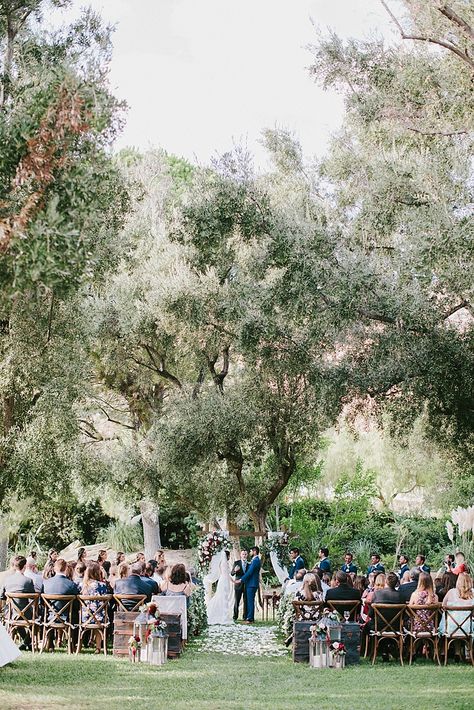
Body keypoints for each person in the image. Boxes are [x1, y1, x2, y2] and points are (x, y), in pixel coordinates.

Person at [0, 556, 36, 650]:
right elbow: (33, 597)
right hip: (26, 614)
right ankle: (27, 642)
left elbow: (2, 596)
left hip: (11, 613)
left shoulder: (7, 580)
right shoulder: (28, 581)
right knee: (37, 619)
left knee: (18, 618)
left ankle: (25, 643)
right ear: (24, 567)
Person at [80, 561, 109, 653]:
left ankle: (79, 646)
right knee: (99, 614)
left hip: (85, 617)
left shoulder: (82, 585)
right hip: (99, 618)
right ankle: (98, 647)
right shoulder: (102, 585)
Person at [439, 572, 474, 643]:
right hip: (468, 628)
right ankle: (467, 649)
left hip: (451, 627)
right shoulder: (473, 593)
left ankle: (451, 650)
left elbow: (443, 605)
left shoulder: (451, 592)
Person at [234, 546, 261, 624]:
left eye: (251, 551)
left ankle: (250, 618)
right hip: (251, 583)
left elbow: (250, 572)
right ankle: (249, 617)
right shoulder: (254, 560)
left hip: (252, 584)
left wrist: (241, 580)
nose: (250, 553)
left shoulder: (255, 560)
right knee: (249, 601)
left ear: (254, 551)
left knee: (250, 601)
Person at [206, 551, 233, 625]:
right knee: (222, 597)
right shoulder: (224, 564)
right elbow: (226, 574)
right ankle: (223, 616)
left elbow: (227, 574)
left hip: (224, 580)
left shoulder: (224, 563)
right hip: (224, 581)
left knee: (222, 597)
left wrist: (233, 581)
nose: (229, 557)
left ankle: (222, 614)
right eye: (229, 556)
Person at [231, 549, 249, 621]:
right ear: (240, 555)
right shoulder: (236, 563)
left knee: (246, 601)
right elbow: (232, 573)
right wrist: (235, 570)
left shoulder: (249, 564)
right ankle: (235, 616)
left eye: (245, 554)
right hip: (238, 585)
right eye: (243, 554)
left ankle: (245, 617)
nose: (244, 555)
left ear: (247, 555)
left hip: (246, 584)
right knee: (236, 601)